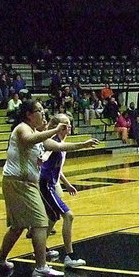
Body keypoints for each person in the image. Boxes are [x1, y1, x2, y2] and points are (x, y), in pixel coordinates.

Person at [0, 100, 93, 277]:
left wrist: (82, 144)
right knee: (40, 222)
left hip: (26, 183)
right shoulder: (22, 128)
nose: (43, 114)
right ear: (29, 114)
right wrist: (54, 130)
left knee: (18, 226)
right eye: (39, 111)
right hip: (17, 182)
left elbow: (58, 146)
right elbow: (29, 140)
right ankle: (41, 267)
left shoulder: (38, 133)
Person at [39, 114, 100, 268]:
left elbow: (58, 169)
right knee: (68, 215)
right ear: (58, 127)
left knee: (53, 217)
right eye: (66, 124)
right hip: (45, 184)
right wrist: (83, 144)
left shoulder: (61, 142)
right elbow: (46, 154)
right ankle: (70, 256)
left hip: (51, 183)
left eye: (69, 123)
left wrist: (66, 184)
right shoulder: (53, 142)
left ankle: (41, 249)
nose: (69, 126)